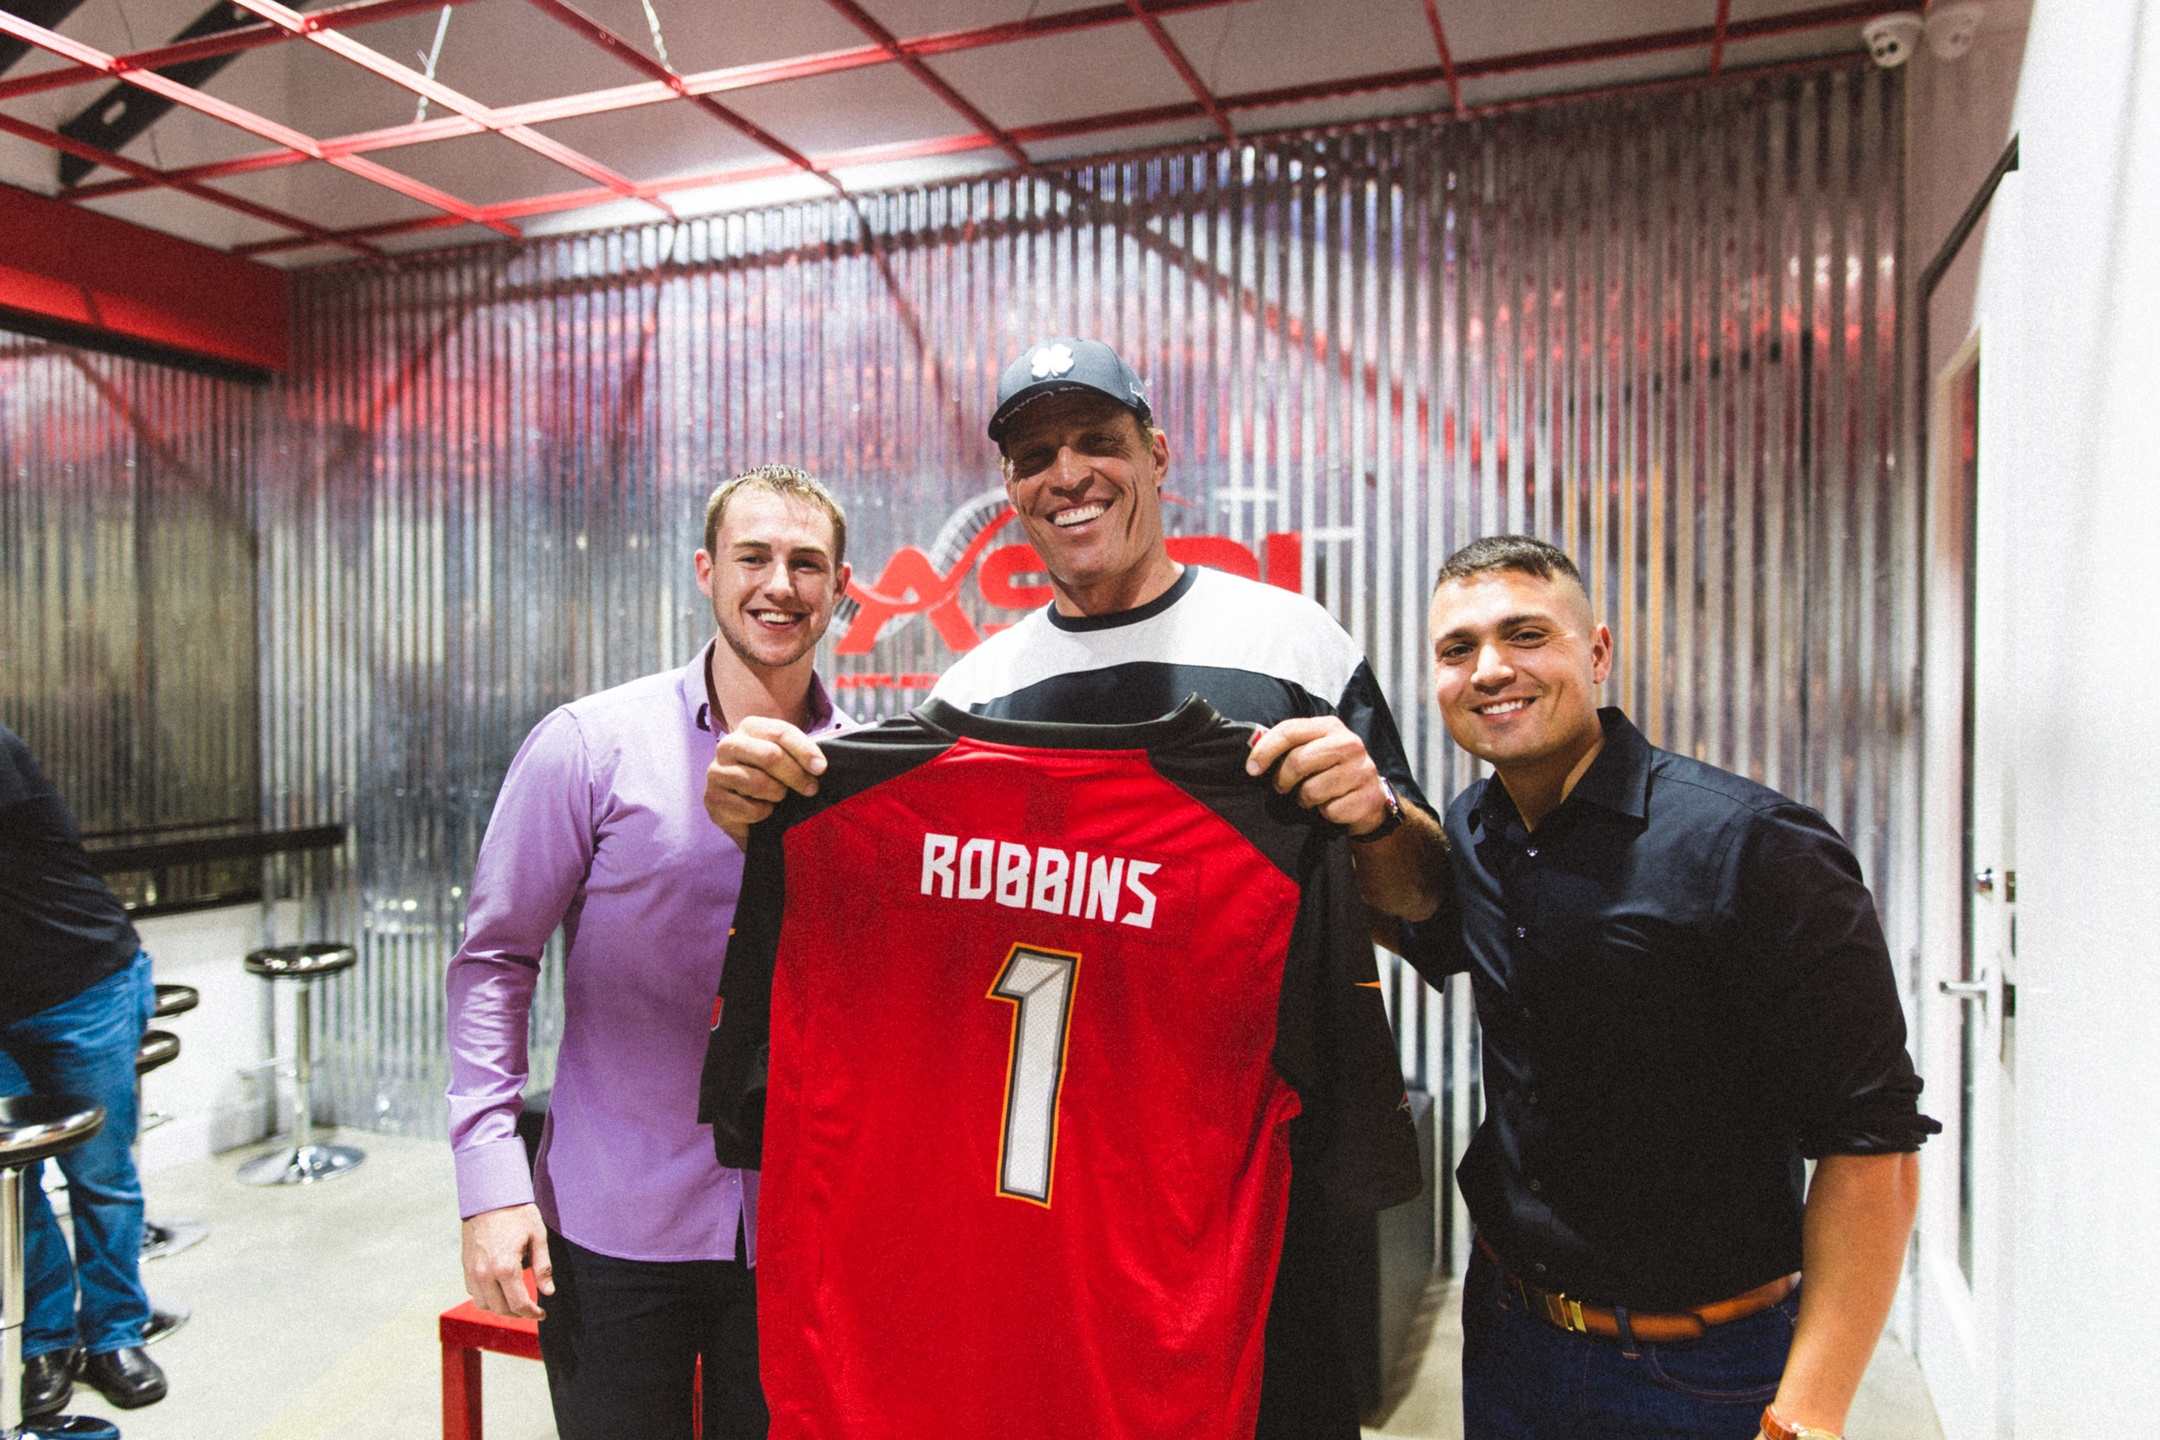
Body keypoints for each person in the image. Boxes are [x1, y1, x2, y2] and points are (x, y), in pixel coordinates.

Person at [702, 338, 1444, 1438]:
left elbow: (1422, 903)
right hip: (1049, 1217)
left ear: (1157, 455)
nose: (1069, 474)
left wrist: (1372, 816)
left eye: (1098, 441)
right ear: (1010, 488)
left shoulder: (1294, 643)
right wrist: (771, 822)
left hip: (1232, 1188)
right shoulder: (976, 689)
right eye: (1035, 456)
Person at [1396, 534, 1937, 1440]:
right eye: (1458, 649)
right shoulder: (1476, 830)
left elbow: (1872, 1141)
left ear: (1597, 652)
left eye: (1525, 634)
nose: (1489, 669)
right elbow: (1424, 923)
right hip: (1507, 1338)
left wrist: (1809, 1414)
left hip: (1702, 1371)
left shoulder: (1759, 847)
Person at [446, 466, 852, 1440]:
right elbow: (495, 962)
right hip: (615, 1222)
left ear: (843, 589)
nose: (780, 584)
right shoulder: (589, 746)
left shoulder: (865, 773)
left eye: (807, 564)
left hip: (800, 1231)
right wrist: (490, 1186)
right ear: (707, 571)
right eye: (753, 557)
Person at [0, 723, 168, 1417]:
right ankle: (43, 1342)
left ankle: (114, 1334)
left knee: (100, 1176)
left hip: (82, 984)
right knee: (11, 1184)